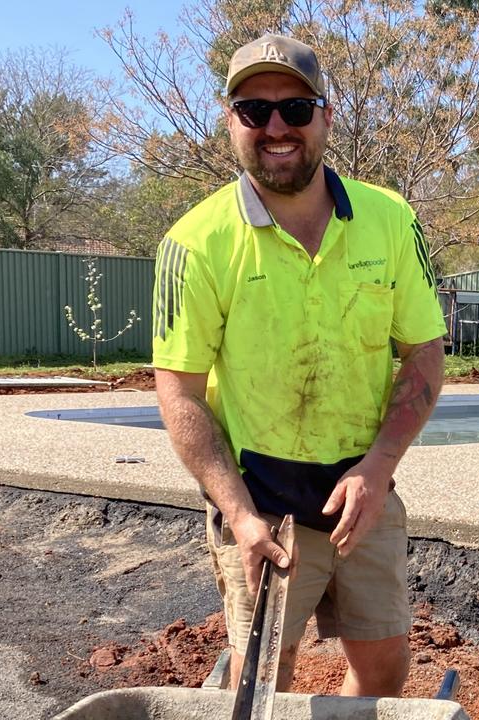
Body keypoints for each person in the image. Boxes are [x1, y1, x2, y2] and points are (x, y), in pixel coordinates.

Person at [151, 33, 447, 697]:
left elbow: (424, 353)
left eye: (296, 108)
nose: (277, 127)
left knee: (384, 666)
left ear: (326, 116)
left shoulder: (391, 221)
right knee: (263, 682)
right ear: (231, 121)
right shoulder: (194, 244)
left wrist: (379, 468)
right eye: (254, 110)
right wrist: (239, 515)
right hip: (262, 506)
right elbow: (180, 393)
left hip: (363, 496)